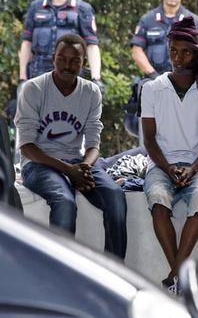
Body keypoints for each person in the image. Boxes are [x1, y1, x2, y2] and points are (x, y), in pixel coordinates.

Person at [15, 34, 126, 258]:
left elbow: (94, 144)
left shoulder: (91, 92)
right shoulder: (34, 89)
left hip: (76, 162)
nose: (68, 65)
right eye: (62, 59)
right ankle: (59, 274)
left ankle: (114, 270)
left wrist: (83, 167)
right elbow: (26, 147)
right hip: (38, 164)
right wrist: (69, 171)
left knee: (115, 195)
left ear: (83, 62)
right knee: (65, 202)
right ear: (53, 59)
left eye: (75, 60)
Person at [141, 16, 198, 293]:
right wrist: (167, 169)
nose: (178, 57)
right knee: (158, 200)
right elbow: (149, 140)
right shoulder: (152, 89)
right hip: (161, 165)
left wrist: (193, 169)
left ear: (197, 54)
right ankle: (179, 276)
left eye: (186, 52)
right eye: (173, 50)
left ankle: (174, 275)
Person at [127, 0, 198, 139]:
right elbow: (136, 51)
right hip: (153, 78)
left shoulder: (192, 20)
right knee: (145, 91)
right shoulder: (148, 19)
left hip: (184, 79)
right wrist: (153, 76)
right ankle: (147, 152)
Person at [19, 0, 102, 90]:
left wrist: (96, 78)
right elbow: (26, 44)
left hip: (71, 75)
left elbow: (92, 46)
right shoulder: (36, 7)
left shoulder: (83, 9)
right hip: (38, 74)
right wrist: (22, 78)